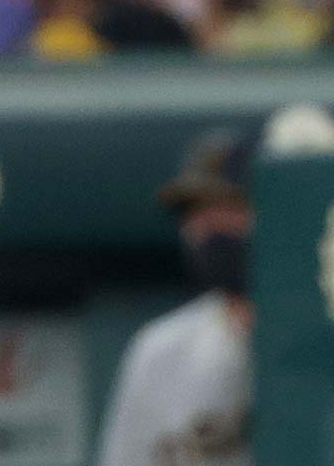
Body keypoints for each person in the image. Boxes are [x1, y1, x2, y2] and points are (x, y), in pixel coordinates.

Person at [96, 130, 255, 466]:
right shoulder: (160, 349)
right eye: (192, 211)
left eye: (226, 206)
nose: (204, 226)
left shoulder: (317, 338)